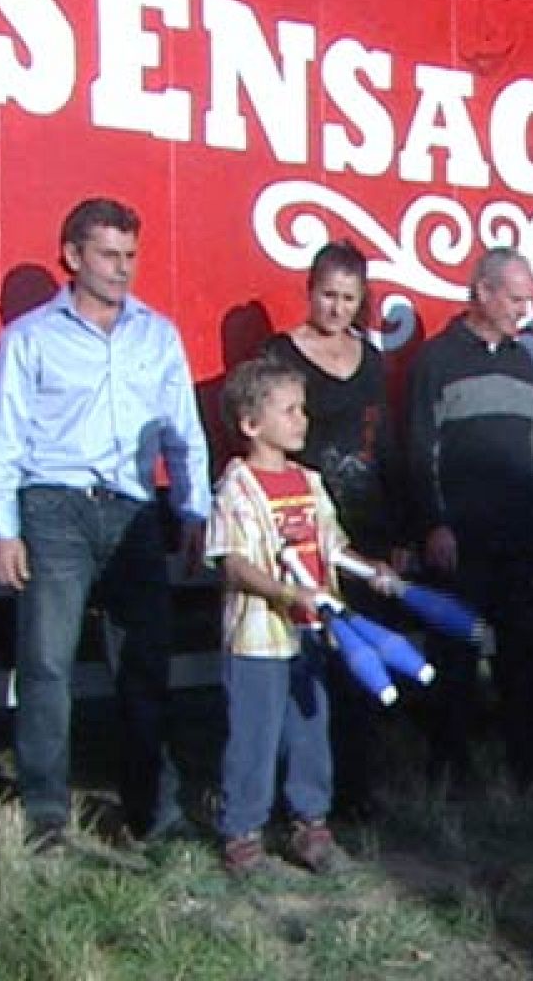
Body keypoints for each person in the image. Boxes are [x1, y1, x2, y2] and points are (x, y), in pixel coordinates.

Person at [0, 197, 210, 847]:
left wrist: (192, 510)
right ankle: (46, 811)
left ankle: (153, 809)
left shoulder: (157, 335)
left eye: (130, 255)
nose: (123, 268)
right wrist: (2, 527)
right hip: (55, 507)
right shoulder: (29, 338)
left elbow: (182, 429)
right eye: (108, 255)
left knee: (145, 659)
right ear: (72, 257)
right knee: (46, 663)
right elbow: (5, 436)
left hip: (132, 511)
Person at [208, 358, 399, 876]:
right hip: (259, 637)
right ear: (251, 425)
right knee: (256, 733)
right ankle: (243, 834)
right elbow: (234, 563)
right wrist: (287, 591)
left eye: (303, 410)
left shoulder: (309, 483)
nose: (303, 420)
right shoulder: (238, 489)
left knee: (311, 726)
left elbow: (331, 546)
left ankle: (310, 825)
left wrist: (369, 569)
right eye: (289, 411)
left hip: (311, 633)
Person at [405, 246, 533, 793]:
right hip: (463, 538)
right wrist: (435, 524)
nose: (524, 312)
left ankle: (531, 765)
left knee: (524, 652)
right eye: (516, 299)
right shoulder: (438, 360)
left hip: (521, 532)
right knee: (455, 652)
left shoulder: (525, 362)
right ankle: (451, 768)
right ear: (483, 291)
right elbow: (420, 449)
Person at [259, 240, 404, 818]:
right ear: (309, 290)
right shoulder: (281, 354)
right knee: (303, 657)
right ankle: (295, 795)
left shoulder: (369, 358)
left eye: (349, 298)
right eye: (328, 295)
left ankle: (357, 788)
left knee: (359, 652)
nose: (337, 308)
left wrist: (399, 526)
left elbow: (384, 442)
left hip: (363, 523)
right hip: (301, 525)